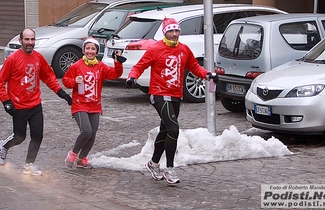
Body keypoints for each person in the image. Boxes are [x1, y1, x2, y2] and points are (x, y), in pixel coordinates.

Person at [126, 17, 217, 184]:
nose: (174, 34)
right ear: (165, 32)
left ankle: (153, 163)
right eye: (171, 31)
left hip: (176, 95)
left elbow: (194, 66)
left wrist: (208, 75)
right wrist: (132, 77)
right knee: (174, 130)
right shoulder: (156, 49)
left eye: (177, 31)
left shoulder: (184, 49)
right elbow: (140, 65)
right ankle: (170, 168)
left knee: (166, 130)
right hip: (159, 94)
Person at [0, 28, 72, 176]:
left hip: (35, 105)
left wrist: (61, 93)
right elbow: (0, 82)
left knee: (37, 136)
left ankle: (29, 164)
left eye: (32, 40)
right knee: (19, 137)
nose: (30, 43)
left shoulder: (38, 58)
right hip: (18, 106)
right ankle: (3, 147)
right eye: (27, 40)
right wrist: (6, 102)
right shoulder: (12, 59)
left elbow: (48, 77)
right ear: (21, 41)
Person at [63, 37, 125, 169]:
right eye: (87, 48)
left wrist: (117, 63)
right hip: (80, 104)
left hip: (95, 106)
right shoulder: (76, 66)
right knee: (86, 131)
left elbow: (115, 74)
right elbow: (65, 81)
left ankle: (82, 159)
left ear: (97, 51)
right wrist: (75, 81)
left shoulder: (101, 66)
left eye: (93, 49)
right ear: (83, 50)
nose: (90, 51)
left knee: (92, 134)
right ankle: (72, 154)